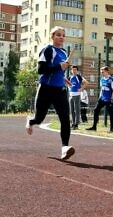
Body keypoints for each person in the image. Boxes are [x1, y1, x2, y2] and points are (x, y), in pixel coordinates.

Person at [25, 26, 75, 160]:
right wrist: (60, 66)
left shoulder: (64, 52)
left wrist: (63, 78)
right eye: (58, 35)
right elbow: (41, 70)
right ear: (52, 37)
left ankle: (65, 148)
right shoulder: (47, 50)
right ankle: (30, 121)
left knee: (65, 119)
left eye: (63, 35)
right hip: (46, 89)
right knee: (39, 119)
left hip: (60, 90)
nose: (61, 37)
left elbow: (58, 72)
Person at [86, 66, 113, 132]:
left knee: (111, 113)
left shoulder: (112, 79)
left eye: (102, 72)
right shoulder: (102, 79)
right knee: (96, 110)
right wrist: (100, 97)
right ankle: (94, 127)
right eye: (101, 72)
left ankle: (111, 129)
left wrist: (112, 99)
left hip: (109, 99)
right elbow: (101, 89)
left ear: (107, 71)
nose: (101, 73)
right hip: (102, 99)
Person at [68, 65, 88, 129]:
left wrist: (81, 89)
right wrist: (69, 87)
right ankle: (73, 123)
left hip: (77, 95)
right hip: (71, 95)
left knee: (77, 110)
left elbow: (86, 83)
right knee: (72, 111)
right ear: (71, 71)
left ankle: (76, 125)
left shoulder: (79, 77)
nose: (74, 71)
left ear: (77, 71)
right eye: (72, 70)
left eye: (75, 70)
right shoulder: (70, 77)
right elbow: (67, 84)